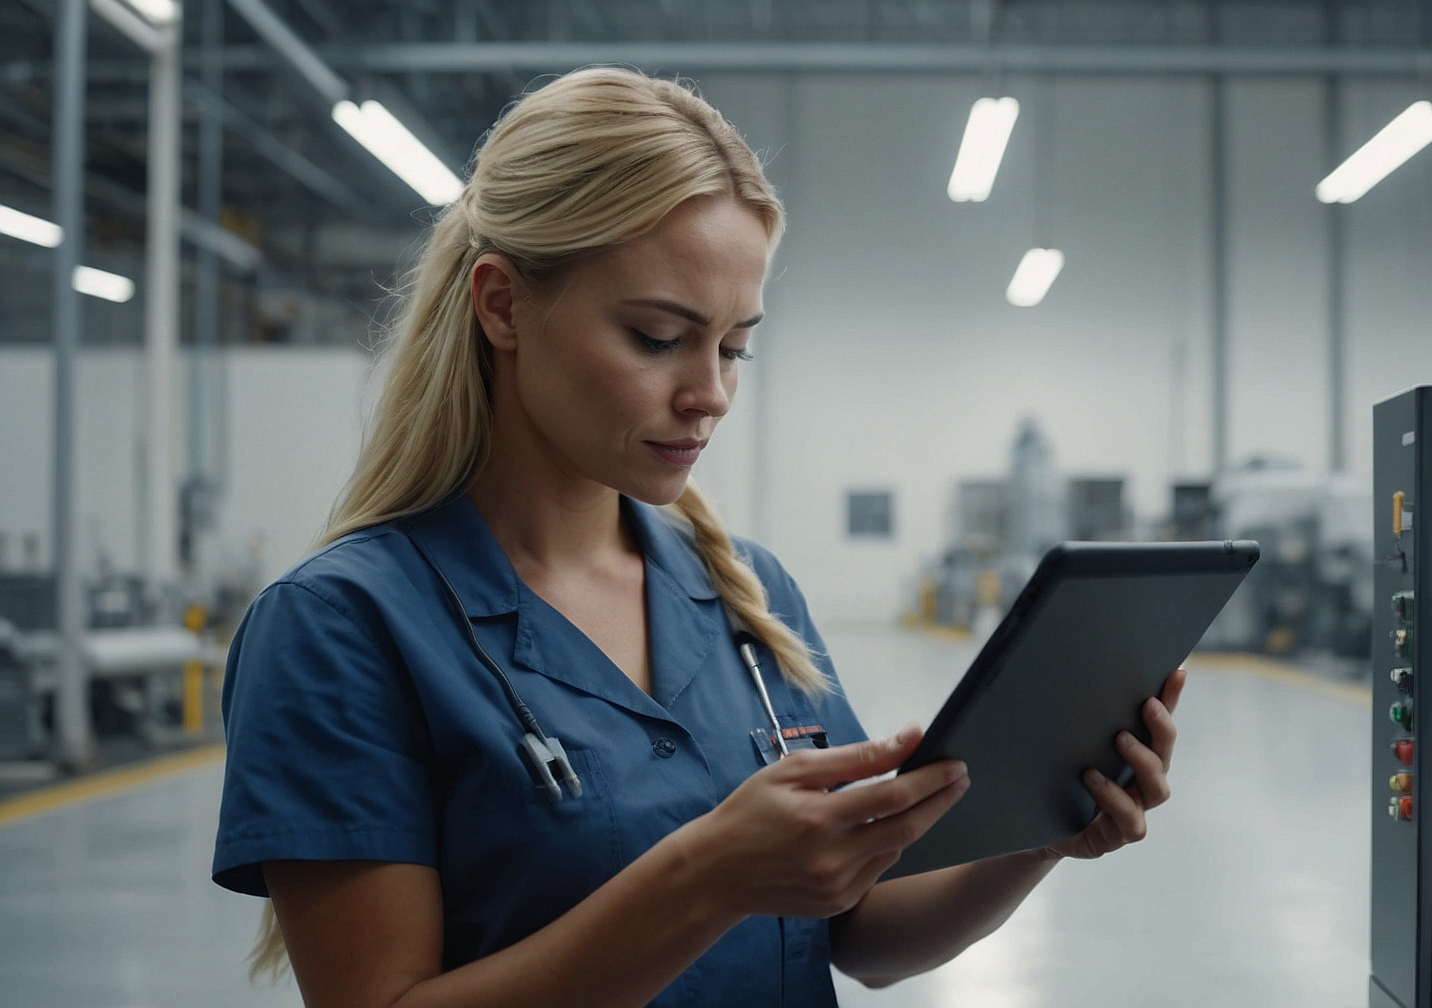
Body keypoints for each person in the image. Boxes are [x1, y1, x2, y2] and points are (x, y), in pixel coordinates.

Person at [210, 67, 1186, 1008]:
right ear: (502, 304)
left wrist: (1035, 832)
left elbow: (863, 935)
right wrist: (707, 877)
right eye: (656, 337)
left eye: (734, 345)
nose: (709, 395)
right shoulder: (342, 629)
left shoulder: (745, 597)